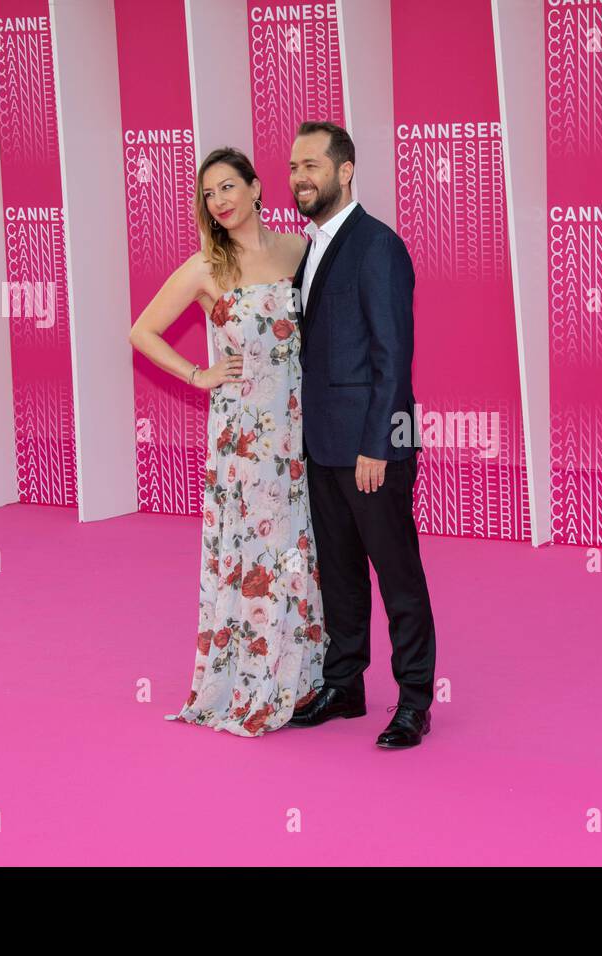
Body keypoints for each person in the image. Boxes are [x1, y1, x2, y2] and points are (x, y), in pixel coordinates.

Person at [129, 147, 326, 737]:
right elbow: (142, 331)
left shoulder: (299, 248)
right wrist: (199, 374)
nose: (220, 200)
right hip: (242, 435)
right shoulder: (204, 268)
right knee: (252, 551)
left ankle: (303, 675)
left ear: (256, 187)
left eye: (228, 187)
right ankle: (251, 678)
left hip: (298, 426)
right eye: (209, 194)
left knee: (298, 547)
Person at [284, 121, 437, 749]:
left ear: (345, 171)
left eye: (313, 165)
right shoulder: (307, 248)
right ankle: (344, 685)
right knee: (339, 574)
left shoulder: (378, 246)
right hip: (322, 445)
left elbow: (392, 354)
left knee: (396, 574)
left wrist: (376, 445)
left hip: (372, 448)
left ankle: (416, 700)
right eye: (294, 166)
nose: (300, 176)